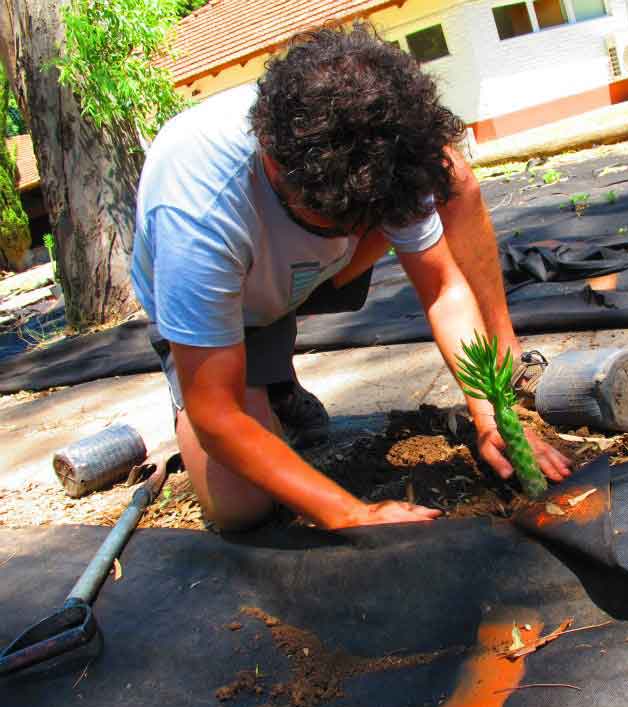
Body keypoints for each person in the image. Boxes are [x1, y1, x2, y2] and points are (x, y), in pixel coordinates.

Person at [131, 24, 571, 532]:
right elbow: (216, 414)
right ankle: (267, 386)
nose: (366, 230)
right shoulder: (198, 212)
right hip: (233, 308)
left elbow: (445, 289)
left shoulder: (378, 143)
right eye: (346, 221)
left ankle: (277, 387)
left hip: (300, 277)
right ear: (276, 167)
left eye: (375, 217)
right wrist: (349, 512)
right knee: (240, 508)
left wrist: (488, 411)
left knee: (449, 174)